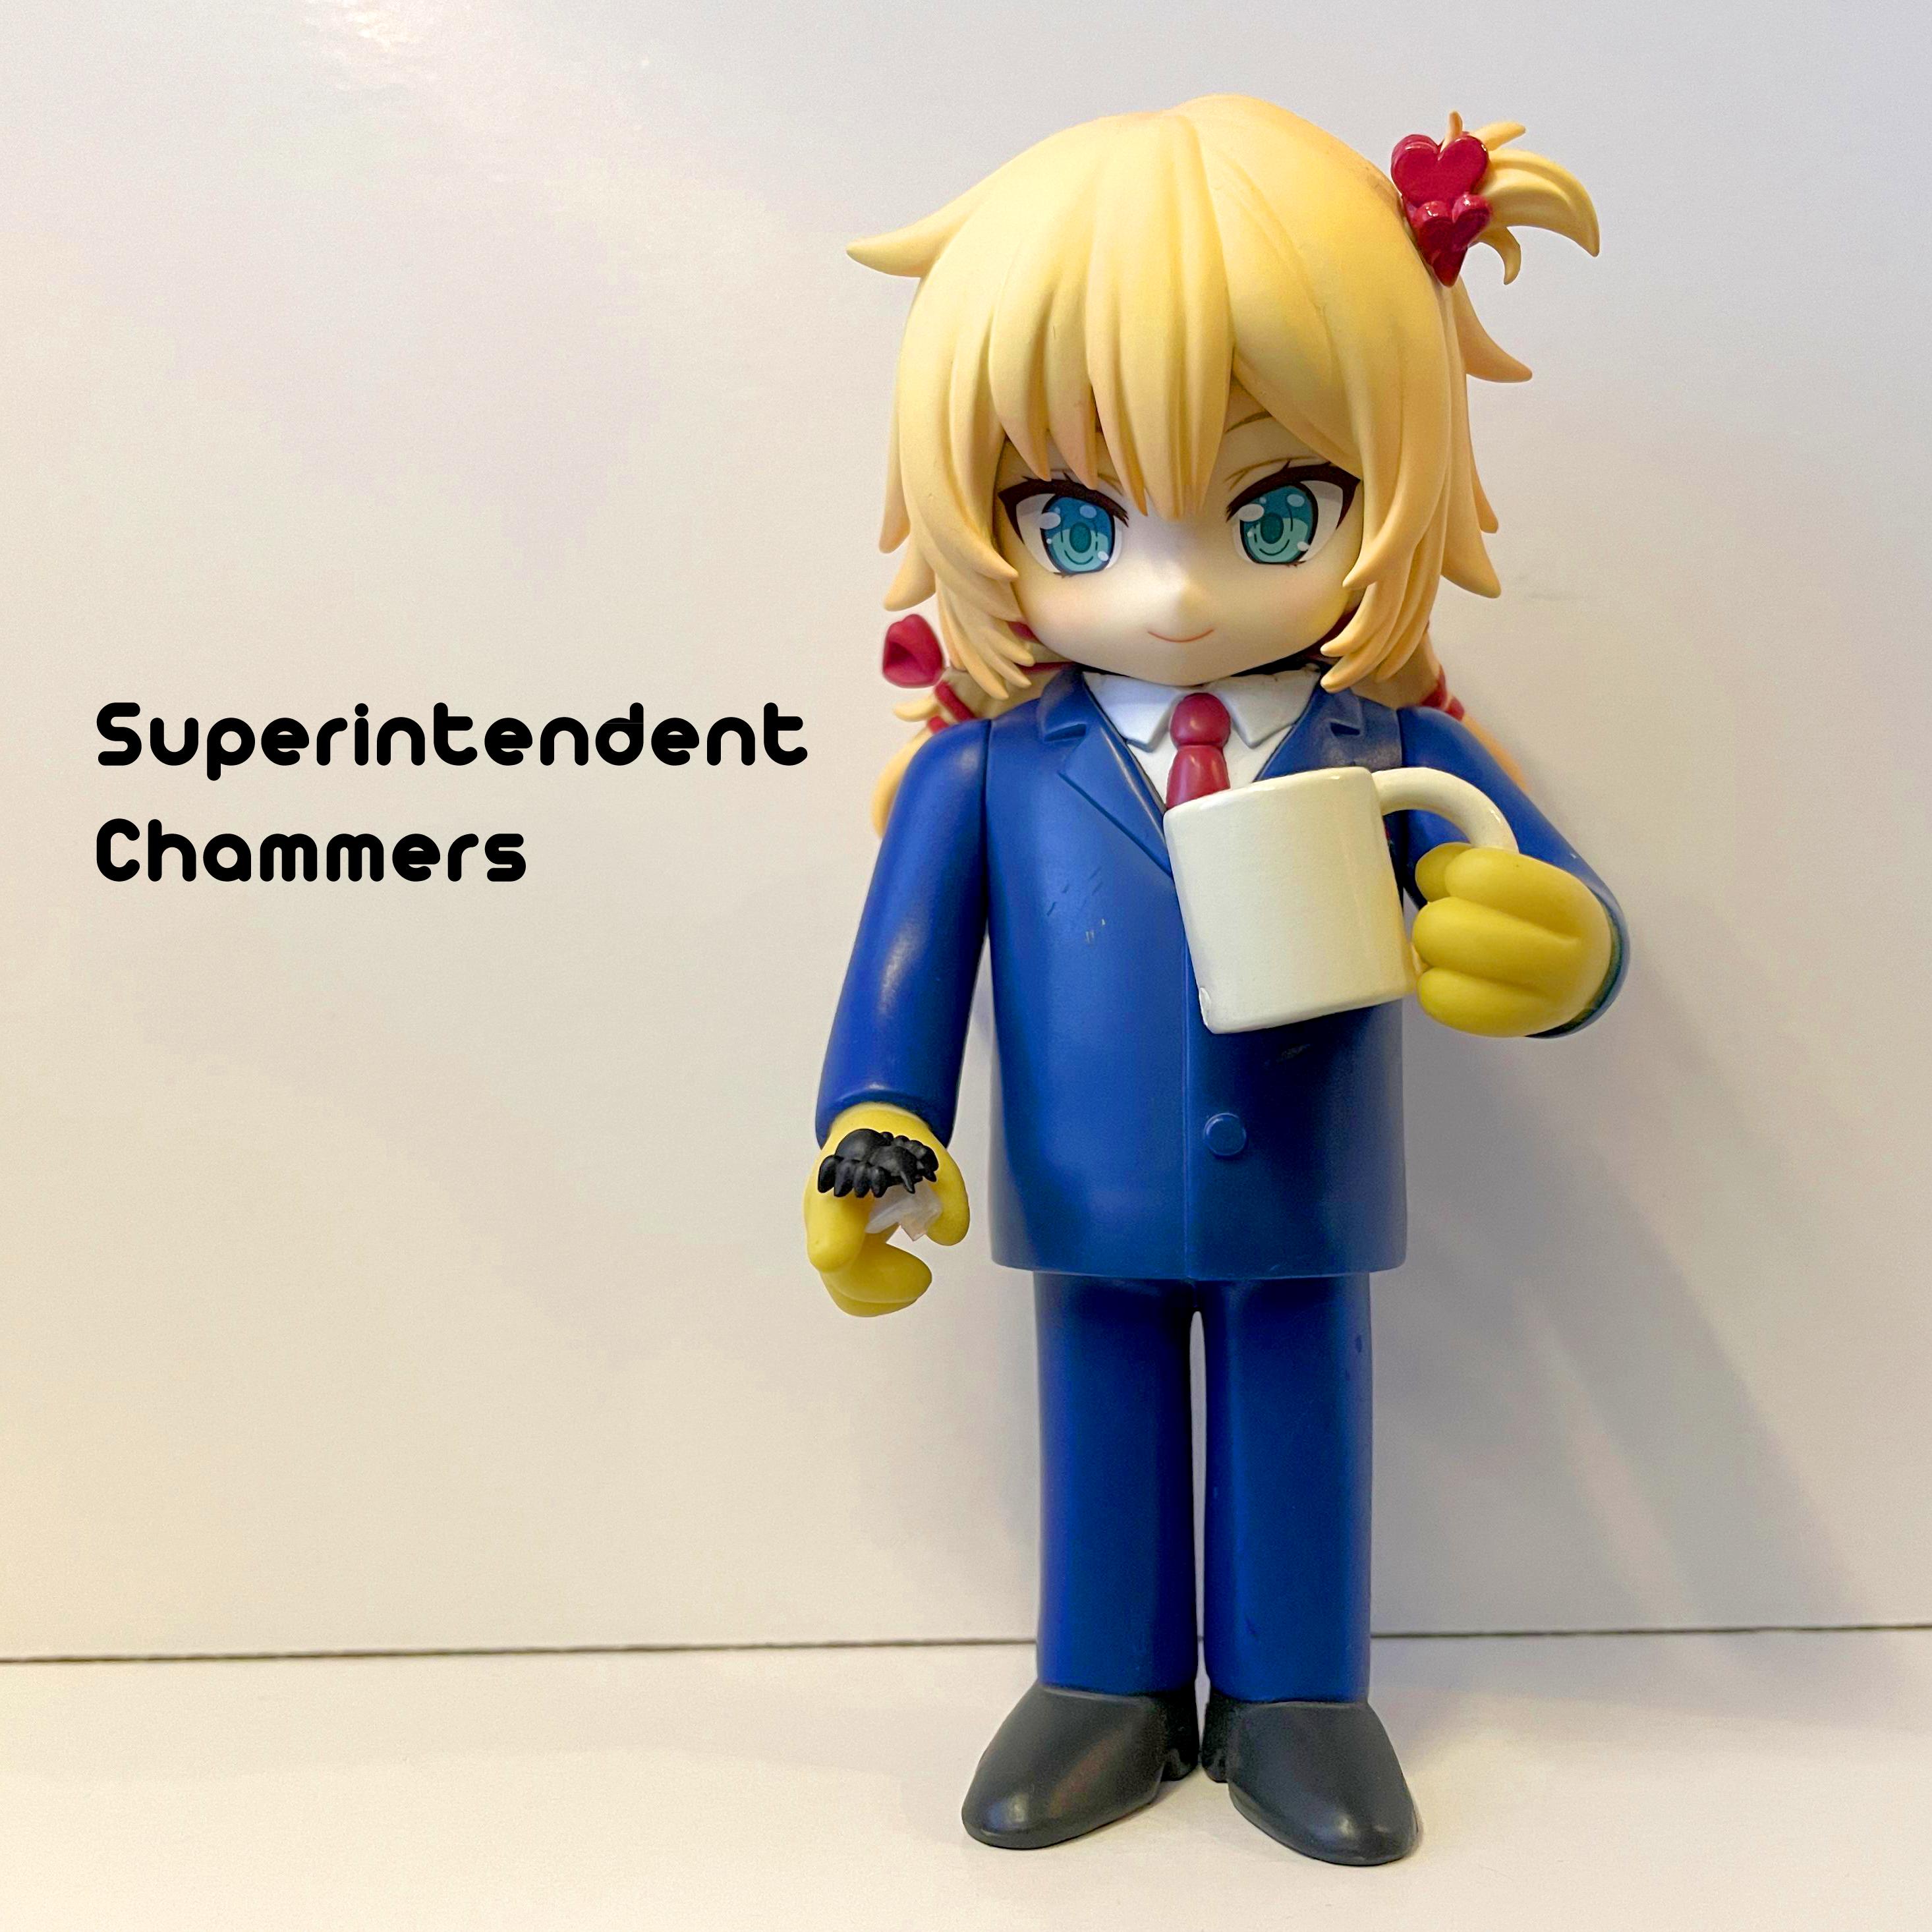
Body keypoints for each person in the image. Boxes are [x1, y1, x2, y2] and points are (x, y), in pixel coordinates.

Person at [805, 96, 1626, 1865]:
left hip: (1307, 1189)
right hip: (1083, 1194)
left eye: (1273, 511)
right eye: (1078, 522)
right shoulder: (980, 773)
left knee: (1296, 1418)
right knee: (1099, 1421)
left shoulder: (1388, 742)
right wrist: (875, 1130)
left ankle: (1297, 1694)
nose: (1172, 593)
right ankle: (1102, 1681)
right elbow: (901, 979)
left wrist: (1553, 947)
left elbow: (1549, 897)